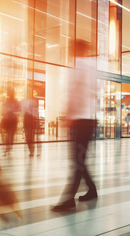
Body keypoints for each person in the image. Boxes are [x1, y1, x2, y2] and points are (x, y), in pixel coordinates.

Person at [52, 40, 98, 212]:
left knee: (77, 160)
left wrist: (68, 116)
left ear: (77, 49)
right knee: (80, 159)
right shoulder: (90, 68)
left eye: (72, 49)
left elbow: (74, 95)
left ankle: (69, 199)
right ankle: (92, 189)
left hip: (81, 120)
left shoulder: (79, 67)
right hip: (87, 120)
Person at [1, 88, 19, 156]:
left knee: (9, 135)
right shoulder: (8, 101)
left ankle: (8, 148)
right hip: (10, 120)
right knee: (9, 135)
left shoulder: (12, 101)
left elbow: (3, 111)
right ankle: (7, 148)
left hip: (11, 120)